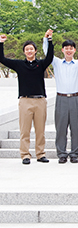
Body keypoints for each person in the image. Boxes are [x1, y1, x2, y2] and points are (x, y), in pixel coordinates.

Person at [0, 29, 54, 164]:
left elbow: (50, 57)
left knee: (40, 130)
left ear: (35, 51)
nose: (29, 51)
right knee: (25, 130)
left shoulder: (40, 64)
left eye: (31, 49)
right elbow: (2, 59)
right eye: (27, 49)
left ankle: (40, 154)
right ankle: (25, 155)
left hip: (40, 100)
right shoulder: (19, 65)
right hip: (25, 101)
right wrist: (1, 43)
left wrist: (49, 40)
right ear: (24, 52)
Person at [42, 30, 78, 163]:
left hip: (75, 98)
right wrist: (46, 38)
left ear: (75, 50)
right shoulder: (57, 62)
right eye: (66, 48)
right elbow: (47, 52)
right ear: (62, 50)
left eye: (71, 48)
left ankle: (74, 154)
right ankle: (62, 154)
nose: (69, 50)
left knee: (75, 127)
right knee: (61, 128)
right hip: (61, 98)